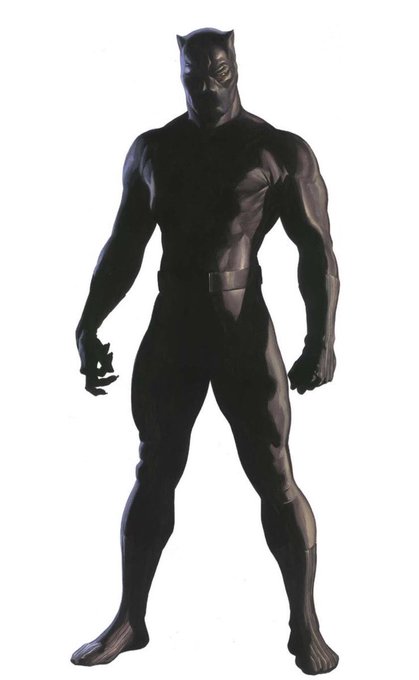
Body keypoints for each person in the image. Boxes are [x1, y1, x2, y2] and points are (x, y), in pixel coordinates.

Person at [71, 27, 340, 675]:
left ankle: (304, 624)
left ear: (235, 68)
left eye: (220, 75)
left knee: (275, 475)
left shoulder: (278, 151)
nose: (209, 89)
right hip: (174, 329)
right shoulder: (153, 151)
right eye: (195, 77)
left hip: (243, 332)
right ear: (181, 76)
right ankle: (130, 620)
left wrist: (322, 339)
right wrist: (88, 323)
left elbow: (316, 251)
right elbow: (125, 244)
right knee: (154, 471)